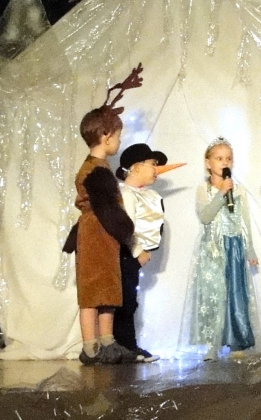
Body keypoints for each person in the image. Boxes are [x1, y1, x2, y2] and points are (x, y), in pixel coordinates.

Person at [61, 65, 145, 365]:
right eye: (118, 136)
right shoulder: (95, 170)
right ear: (106, 136)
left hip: (100, 236)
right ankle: (91, 347)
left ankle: (107, 342)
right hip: (97, 235)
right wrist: (129, 235)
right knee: (93, 293)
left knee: (107, 290)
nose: (119, 141)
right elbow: (107, 208)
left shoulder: (98, 168)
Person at [183, 137, 259, 360]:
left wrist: (250, 250)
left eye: (228, 158)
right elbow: (205, 217)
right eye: (219, 158)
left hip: (234, 246)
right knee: (212, 294)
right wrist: (220, 193)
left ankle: (237, 342)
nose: (224, 162)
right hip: (213, 249)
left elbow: (244, 222)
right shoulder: (203, 189)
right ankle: (211, 343)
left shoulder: (239, 190)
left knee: (236, 293)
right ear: (208, 163)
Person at [114, 143, 171, 363]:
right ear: (136, 167)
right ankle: (125, 347)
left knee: (130, 300)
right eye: (153, 164)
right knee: (125, 301)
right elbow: (125, 227)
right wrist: (138, 252)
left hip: (131, 258)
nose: (157, 169)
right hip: (125, 256)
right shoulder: (126, 195)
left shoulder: (143, 195)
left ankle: (128, 345)